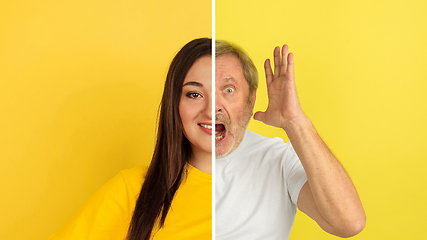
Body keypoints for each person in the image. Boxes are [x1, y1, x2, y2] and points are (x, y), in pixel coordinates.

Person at [48, 38, 213, 240]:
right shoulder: (133, 190)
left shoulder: (262, 186)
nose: (212, 110)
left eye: (227, 91)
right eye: (194, 94)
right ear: (174, 104)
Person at [215, 40, 366, 239]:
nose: (213, 106)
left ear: (250, 100)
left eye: (228, 90)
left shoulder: (279, 159)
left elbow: (349, 223)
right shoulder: (164, 163)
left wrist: (295, 122)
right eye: (197, 93)